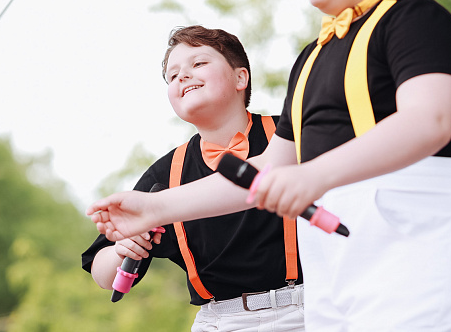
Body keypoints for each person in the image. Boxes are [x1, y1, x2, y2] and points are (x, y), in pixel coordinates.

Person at [87, 0, 451, 331]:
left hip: (417, 256)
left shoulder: (414, 19)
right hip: (336, 275)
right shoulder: (311, 58)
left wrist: (314, 176)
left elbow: (430, 121)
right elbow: (268, 171)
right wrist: (155, 207)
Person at [82, 25, 305, 332]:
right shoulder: (166, 173)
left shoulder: (292, 136)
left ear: (241, 77)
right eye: (172, 76)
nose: (182, 76)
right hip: (219, 321)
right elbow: (101, 271)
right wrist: (121, 249)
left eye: (198, 63)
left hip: (304, 310)